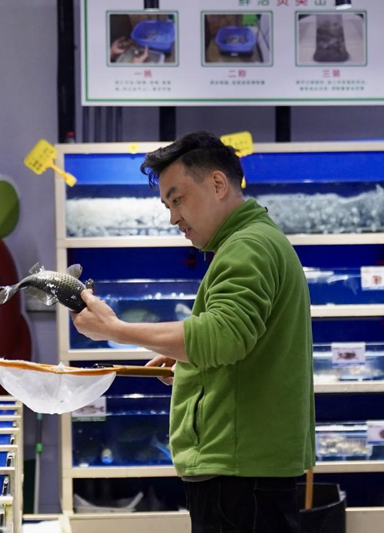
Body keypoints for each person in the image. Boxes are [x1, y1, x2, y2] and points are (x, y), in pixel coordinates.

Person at [70, 131, 315, 533]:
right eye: (167, 205)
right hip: (248, 467)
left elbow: (223, 336)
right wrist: (187, 357)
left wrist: (116, 329)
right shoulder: (259, 240)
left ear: (218, 184)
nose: (173, 218)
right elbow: (242, 340)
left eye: (178, 199)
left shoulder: (247, 247)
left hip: (238, 473)